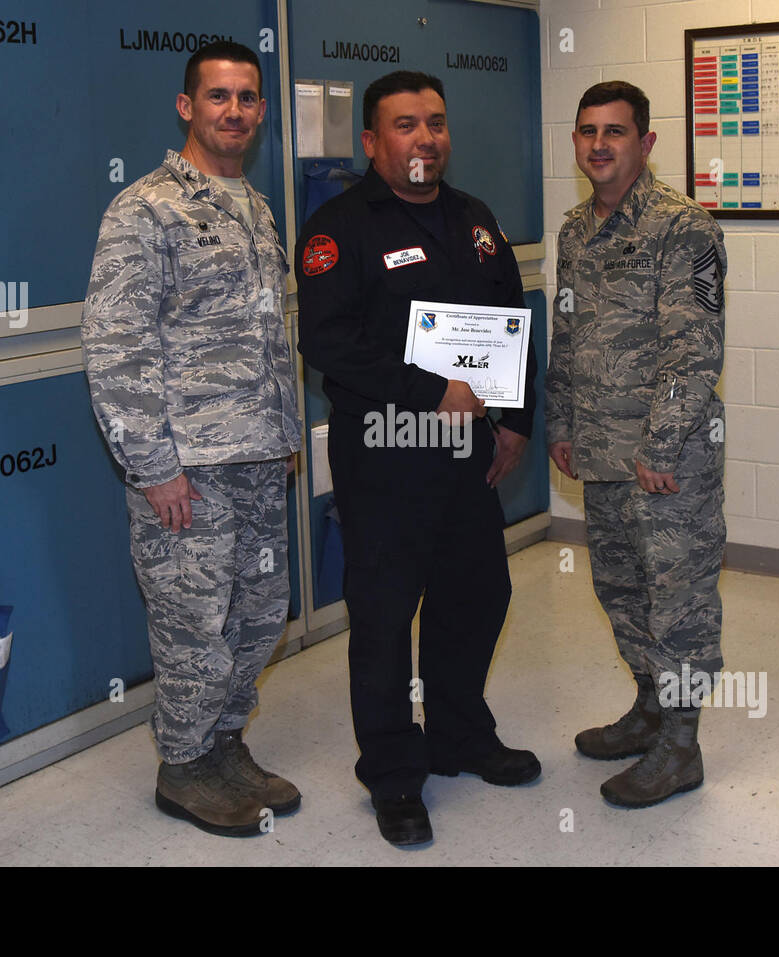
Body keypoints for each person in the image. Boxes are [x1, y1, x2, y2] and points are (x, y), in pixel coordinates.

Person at [295, 71, 540, 846]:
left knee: (478, 593)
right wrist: (429, 390)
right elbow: (328, 340)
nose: (424, 138)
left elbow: (511, 321)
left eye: (435, 122)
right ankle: (395, 772)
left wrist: (515, 421)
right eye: (405, 125)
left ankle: (461, 733)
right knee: (384, 618)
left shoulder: (475, 219)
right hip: (387, 455)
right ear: (373, 142)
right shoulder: (340, 226)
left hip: (467, 454)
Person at [81, 41, 302, 837]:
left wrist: (284, 432)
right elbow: (115, 348)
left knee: (256, 611)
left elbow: (270, 333)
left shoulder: (257, 206)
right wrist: (154, 466)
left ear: (261, 111)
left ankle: (222, 742)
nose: (234, 111)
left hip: (255, 455)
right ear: (187, 106)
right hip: (188, 471)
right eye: (218, 96)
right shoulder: (143, 209)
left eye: (247, 97)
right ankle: (182, 765)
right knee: (191, 621)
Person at [546, 81, 727, 808]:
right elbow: (566, 334)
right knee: (621, 590)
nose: (599, 145)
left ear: (646, 143)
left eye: (615, 132)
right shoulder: (572, 231)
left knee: (678, 600)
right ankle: (650, 708)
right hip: (599, 451)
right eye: (587, 131)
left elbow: (694, 349)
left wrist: (658, 447)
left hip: (666, 460)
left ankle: (681, 745)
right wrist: (559, 421)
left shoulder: (683, 227)